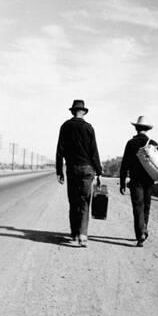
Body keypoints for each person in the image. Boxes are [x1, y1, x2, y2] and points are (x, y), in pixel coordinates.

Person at [55, 100, 102, 247]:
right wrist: (99, 171)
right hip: (87, 169)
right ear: (83, 112)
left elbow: (59, 151)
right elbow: (94, 151)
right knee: (84, 201)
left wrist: (59, 171)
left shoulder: (65, 126)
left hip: (72, 169)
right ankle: (83, 235)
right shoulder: (89, 128)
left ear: (72, 112)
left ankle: (74, 233)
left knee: (73, 200)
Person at [119, 115, 158, 247]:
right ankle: (143, 229)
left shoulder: (130, 143)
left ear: (136, 128)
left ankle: (140, 233)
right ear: (147, 129)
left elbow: (124, 164)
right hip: (149, 180)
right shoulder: (153, 143)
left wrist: (122, 182)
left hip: (135, 180)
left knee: (137, 207)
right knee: (146, 206)